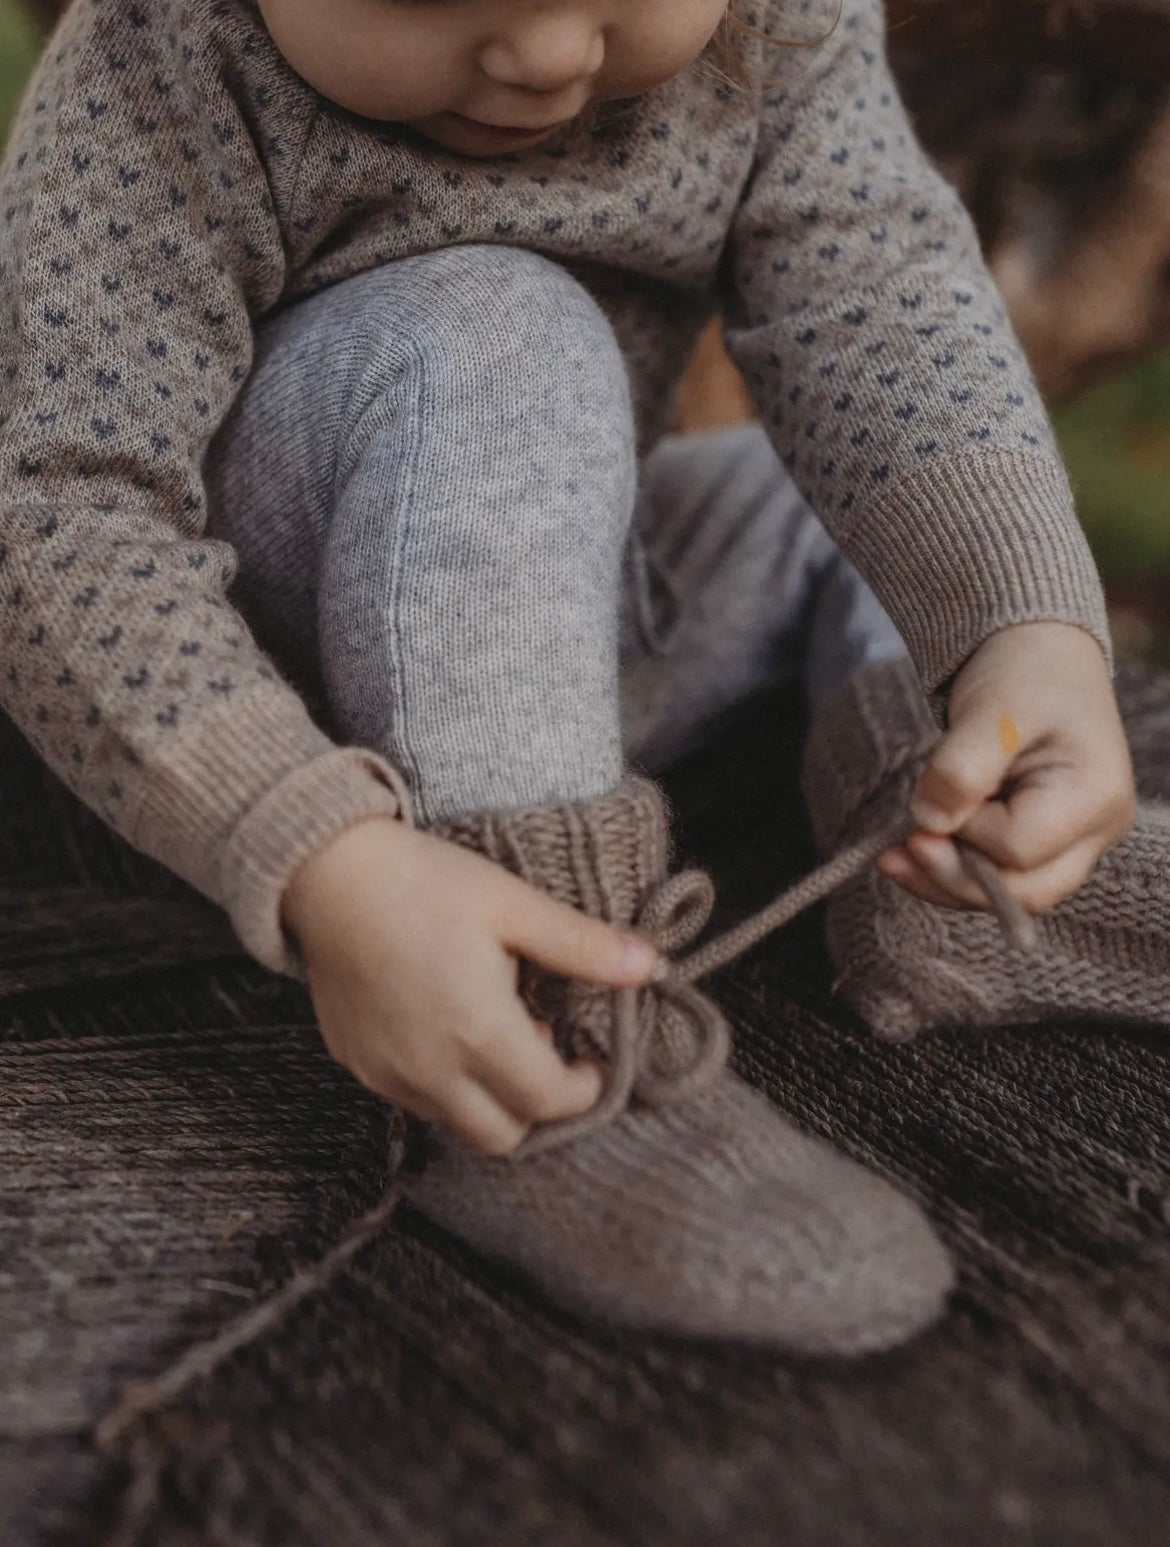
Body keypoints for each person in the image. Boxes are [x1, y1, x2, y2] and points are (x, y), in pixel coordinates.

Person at [0, 0, 1152, 1357]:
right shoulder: (163, 64)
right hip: (242, 701)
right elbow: (60, 513)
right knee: (495, 328)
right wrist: (320, 853)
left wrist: (1026, 632)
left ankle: (952, 842)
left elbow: (876, 298)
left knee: (832, 495)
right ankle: (553, 1039)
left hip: (553, 615)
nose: (545, 54)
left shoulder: (773, 20)